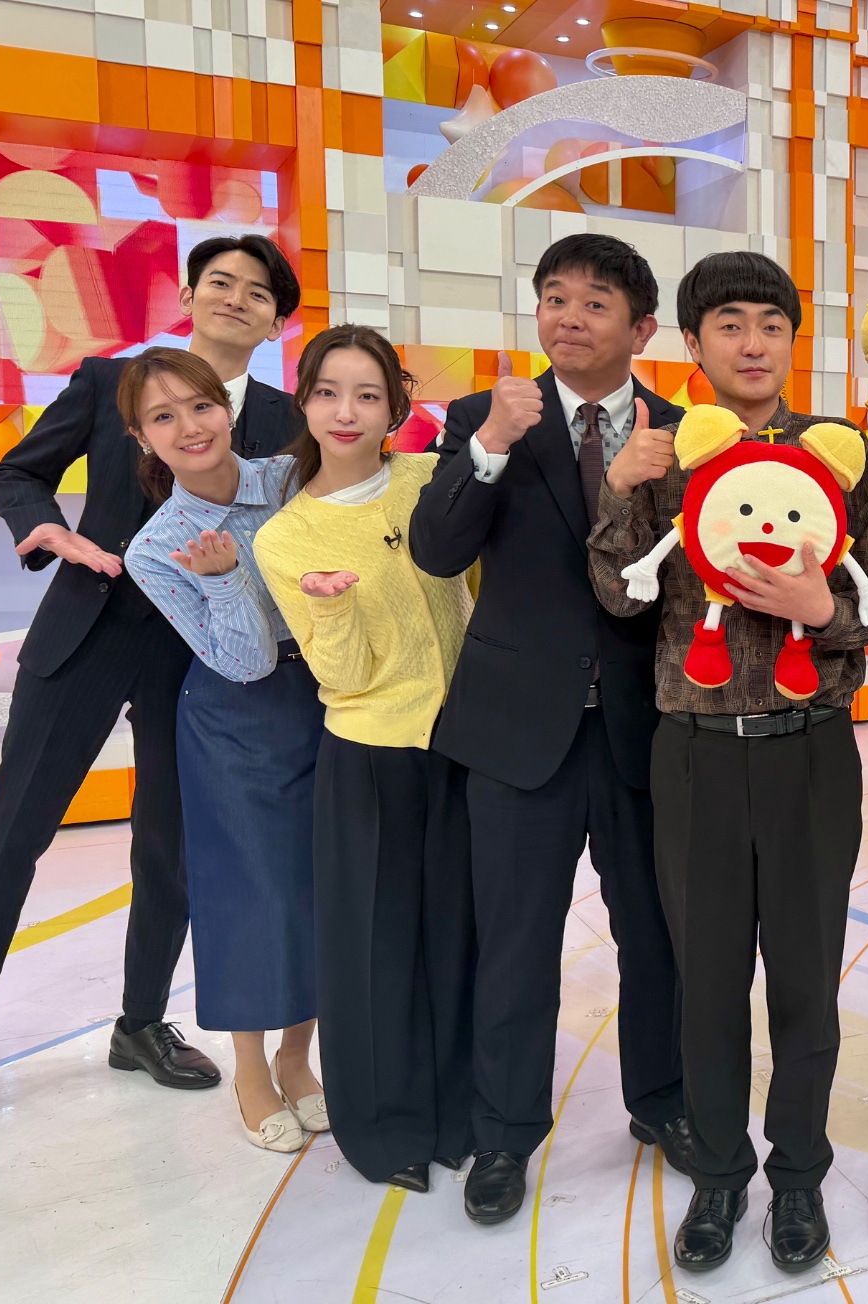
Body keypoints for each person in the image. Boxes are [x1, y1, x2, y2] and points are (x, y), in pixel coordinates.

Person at [0, 235, 302, 1100]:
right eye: (219, 282)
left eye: (258, 291)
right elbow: (17, 469)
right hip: (86, 630)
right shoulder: (107, 382)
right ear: (189, 298)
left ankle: (141, 1022)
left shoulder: (287, 418)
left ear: (278, 320)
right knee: (16, 825)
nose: (235, 298)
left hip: (197, 655)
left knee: (170, 845)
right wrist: (43, 527)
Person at [589, 250, 868, 1273]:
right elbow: (619, 595)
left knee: (807, 980)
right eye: (729, 323)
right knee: (708, 981)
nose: (753, 343)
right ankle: (720, 1174)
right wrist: (618, 489)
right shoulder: (666, 452)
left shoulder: (840, 453)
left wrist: (826, 609)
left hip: (810, 752)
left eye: (772, 324)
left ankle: (799, 1173)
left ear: (793, 340)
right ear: (694, 343)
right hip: (694, 755)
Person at [410, 234, 689, 1226]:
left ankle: (664, 1100)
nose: (569, 316)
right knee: (515, 942)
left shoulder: (679, 432)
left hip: (642, 730)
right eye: (555, 297)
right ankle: (503, 1132)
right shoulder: (482, 418)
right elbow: (437, 551)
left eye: (596, 302)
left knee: (655, 934)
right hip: (515, 730)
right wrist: (489, 445)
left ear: (641, 329)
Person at [252, 325, 475, 1194]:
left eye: (368, 394)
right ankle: (384, 1130)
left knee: (459, 936)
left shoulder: (429, 481)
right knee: (376, 949)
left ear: (395, 407)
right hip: (372, 755)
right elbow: (340, 677)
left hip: (466, 747)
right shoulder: (287, 537)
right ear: (304, 402)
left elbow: (482, 595)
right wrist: (330, 610)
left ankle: (460, 1111)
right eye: (328, 392)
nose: (346, 411)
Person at [121, 348, 323, 1153]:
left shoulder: (292, 480)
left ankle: (297, 1058)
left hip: (330, 699)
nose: (189, 427)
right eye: (162, 417)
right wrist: (226, 577)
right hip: (236, 720)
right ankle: (249, 1071)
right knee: (250, 895)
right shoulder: (156, 547)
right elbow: (242, 661)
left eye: (200, 406)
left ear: (227, 408)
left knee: (319, 885)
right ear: (142, 439)